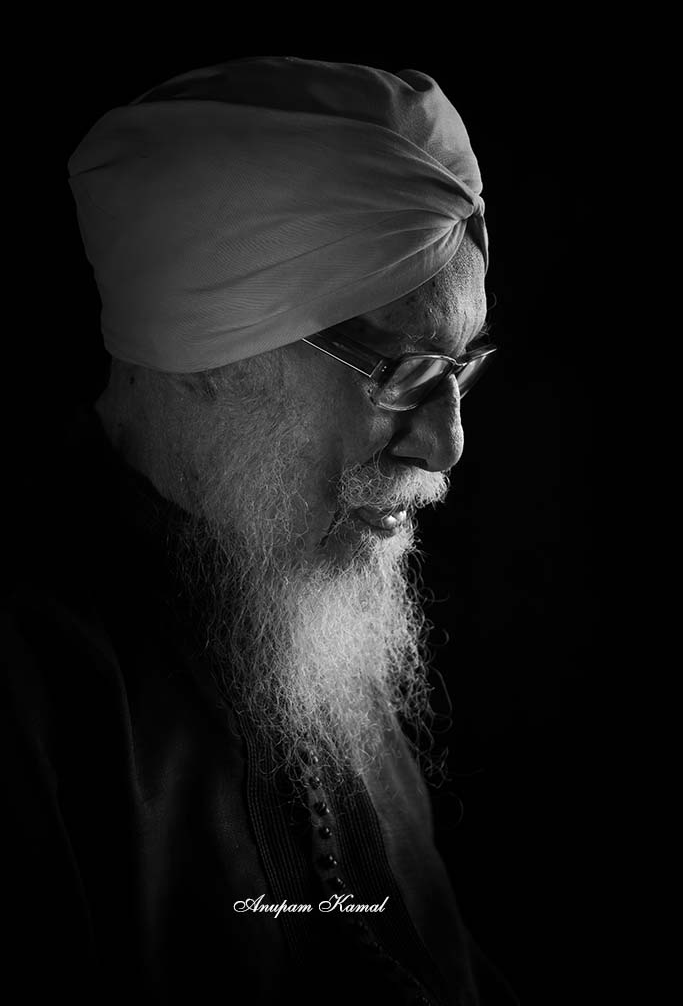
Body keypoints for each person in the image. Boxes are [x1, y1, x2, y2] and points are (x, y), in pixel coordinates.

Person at [1, 56, 518, 1004]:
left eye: (459, 369)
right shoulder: (16, 669)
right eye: (401, 372)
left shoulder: (306, 600)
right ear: (209, 355)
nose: (444, 445)